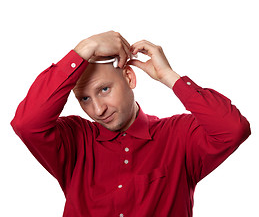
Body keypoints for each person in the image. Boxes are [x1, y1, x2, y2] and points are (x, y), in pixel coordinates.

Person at [11, 31, 251, 217]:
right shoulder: (74, 140)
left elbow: (233, 129)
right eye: (84, 98)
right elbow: (26, 123)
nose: (97, 109)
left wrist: (170, 77)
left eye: (104, 90)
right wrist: (85, 48)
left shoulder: (179, 136)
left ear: (128, 77)